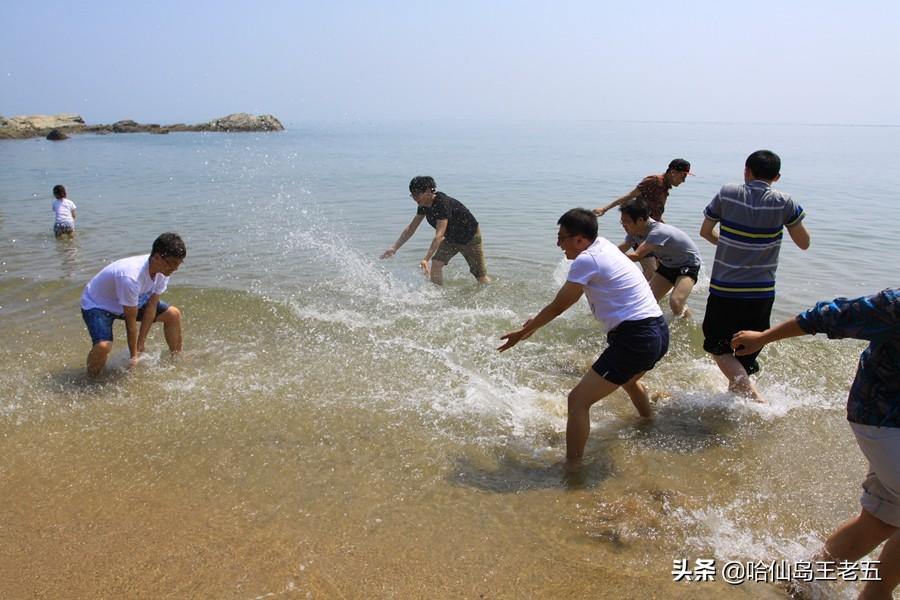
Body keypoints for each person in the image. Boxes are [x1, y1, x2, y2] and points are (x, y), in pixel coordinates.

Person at [732, 288, 900, 599]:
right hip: (881, 418)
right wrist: (763, 338)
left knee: (882, 519)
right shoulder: (895, 305)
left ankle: (804, 580)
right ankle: (876, 594)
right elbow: (829, 315)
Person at [498, 208, 668, 463]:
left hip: (636, 339)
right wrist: (533, 324)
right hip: (658, 331)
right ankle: (648, 421)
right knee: (629, 380)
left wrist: (524, 332)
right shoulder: (605, 246)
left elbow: (560, 305)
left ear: (579, 239)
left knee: (577, 402)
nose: (558, 244)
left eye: (561, 237)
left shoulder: (586, 260)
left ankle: (573, 468)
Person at [699, 150, 810, 401]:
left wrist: (728, 245)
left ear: (746, 170)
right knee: (746, 348)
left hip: (725, 289)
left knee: (717, 345)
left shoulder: (728, 193)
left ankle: (754, 398)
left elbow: (706, 231)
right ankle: (737, 402)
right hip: (761, 292)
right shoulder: (784, 201)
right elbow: (804, 243)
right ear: (777, 177)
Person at [80, 233, 186, 377]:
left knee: (173, 314)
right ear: (156, 257)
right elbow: (130, 322)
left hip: (129, 299)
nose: (175, 268)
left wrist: (140, 344)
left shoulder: (163, 272)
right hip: (98, 304)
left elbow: (151, 307)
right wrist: (134, 356)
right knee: (103, 346)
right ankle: (91, 378)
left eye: (179, 263)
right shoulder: (131, 277)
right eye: (172, 263)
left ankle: (177, 358)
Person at [594, 158, 693, 279]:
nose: (684, 180)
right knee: (650, 272)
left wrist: (668, 230)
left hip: (652, 232)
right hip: (640, 230)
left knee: (659, 270)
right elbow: (630, 195)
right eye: (683, 176)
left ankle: (599, 264)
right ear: (673, 172)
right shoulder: (653, 181)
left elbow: (656, 216)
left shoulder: (665, 187)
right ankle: (600, 267)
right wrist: (605, 208)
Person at [380, 176, 489, 285]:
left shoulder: (442, 204)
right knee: (436, 263)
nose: (415, 198)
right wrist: (394, 248)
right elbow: (411, 228)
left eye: (417, 194)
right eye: (412, 194)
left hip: (470, 238)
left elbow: (439, 236)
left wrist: (426, 259)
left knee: (481, 277)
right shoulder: (423, 204)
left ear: (428, 191)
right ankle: (438, 294)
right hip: (451, 238)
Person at [618, 199, 702, 318]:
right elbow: (620, 249)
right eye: (622, 222)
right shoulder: (634, 233)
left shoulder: (658, 231)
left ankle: (687, 325)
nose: (624, 225)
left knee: (675, 302)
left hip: (688, 264)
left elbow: (637, 256)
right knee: (647, 301)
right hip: (668, 265)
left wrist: (611, 257)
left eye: (627, 222)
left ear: (641, 220)